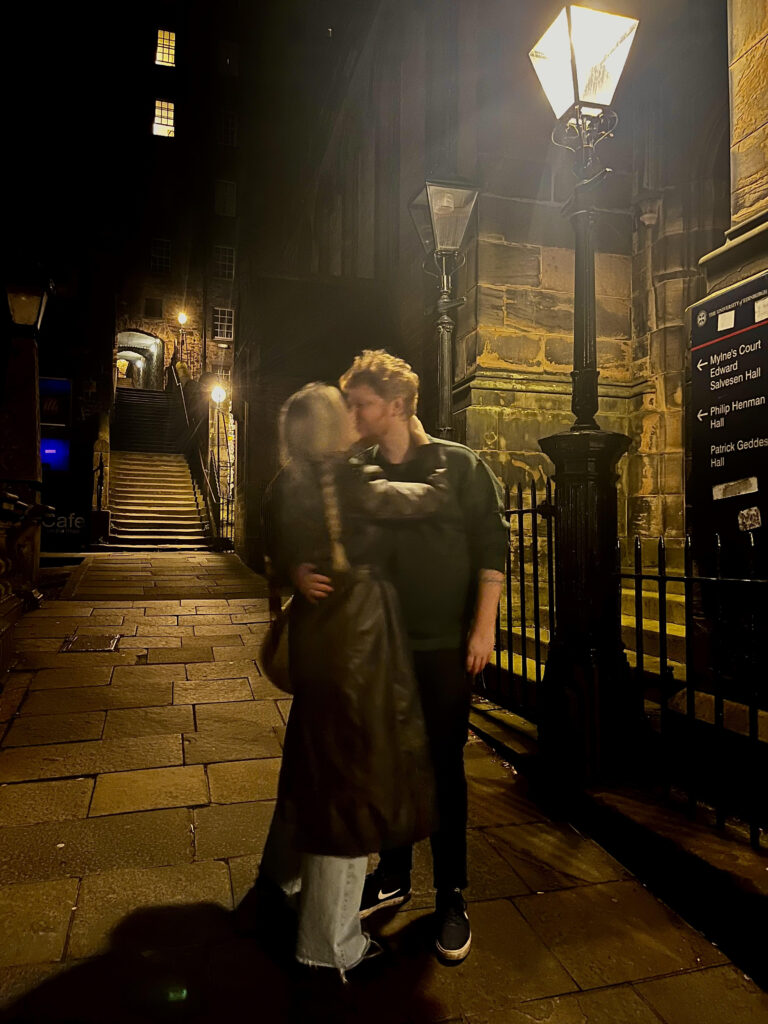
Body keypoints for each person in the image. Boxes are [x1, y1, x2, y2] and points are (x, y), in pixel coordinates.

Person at [255, 382, 446, 978]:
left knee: (314, 769)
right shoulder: (349, 481)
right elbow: (423, 501)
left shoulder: (286, 482)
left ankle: (283, 882)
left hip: (318, 644)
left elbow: (270, 544)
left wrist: (294, 568)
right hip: (357, 647)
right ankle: (329, 942)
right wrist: (431, 456)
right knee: (350, 786)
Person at [336, 349, 508, 964]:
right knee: (390, 765)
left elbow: (493, 546)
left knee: (443, 771)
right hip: (382, 651)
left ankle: (452, 895)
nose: (353, 414)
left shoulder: (458, 467)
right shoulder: (358, 471)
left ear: (399, 404)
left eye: (361, 404)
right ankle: (395, 872)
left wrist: (482, 629)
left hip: (440, 650)